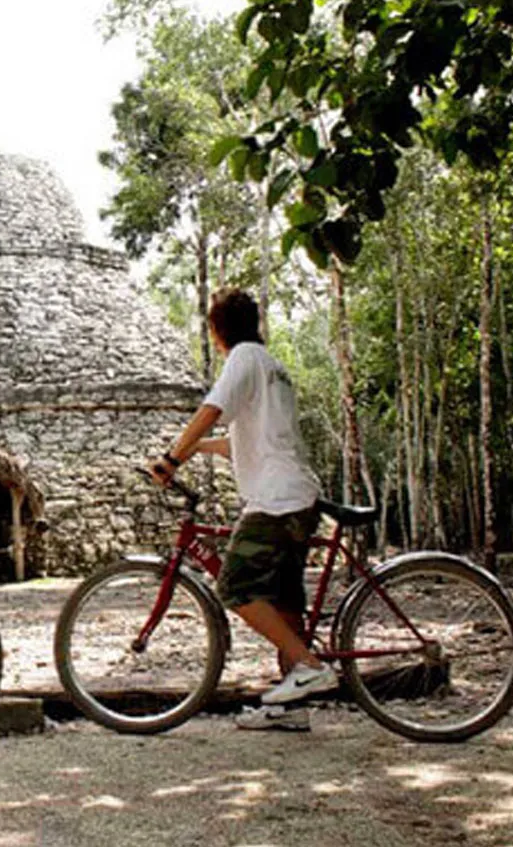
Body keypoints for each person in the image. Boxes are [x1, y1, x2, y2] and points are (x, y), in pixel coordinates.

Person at [149, 287, 333, 732]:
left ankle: (310, 666)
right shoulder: (273, 367)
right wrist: (195, 452)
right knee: (284, 602)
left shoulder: (243, 359)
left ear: (217, 331)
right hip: (298, 494)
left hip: (275, 500)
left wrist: (173, 456)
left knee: (234, 586)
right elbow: (245, 440)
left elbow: (212, 410)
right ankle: (289, 708)